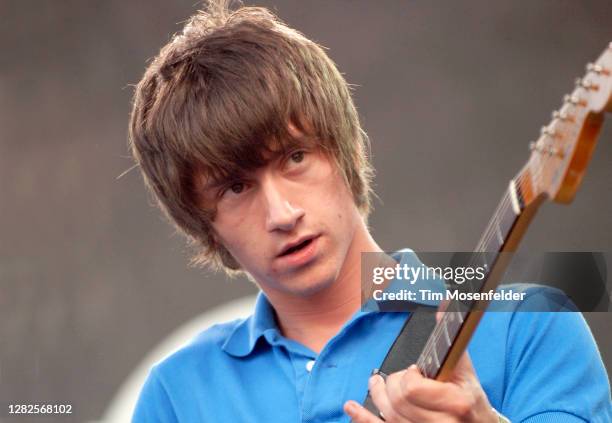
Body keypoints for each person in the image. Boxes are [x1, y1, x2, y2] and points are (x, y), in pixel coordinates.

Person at [128, 2, 611, 422]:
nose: (282, 212)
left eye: (295, 158)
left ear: (345, 150)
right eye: (235, 187)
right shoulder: (177, 395)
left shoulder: (527, 325)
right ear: (204, 226)